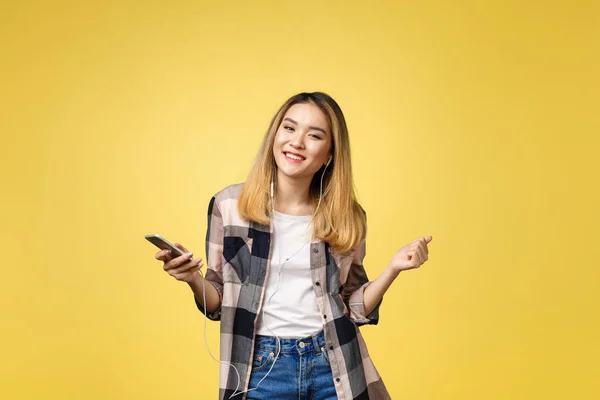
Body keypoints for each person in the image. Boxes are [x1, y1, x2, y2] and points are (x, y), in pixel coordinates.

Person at [154, 92, 433, 400]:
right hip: (260, 369)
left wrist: (394, 268)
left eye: (314, 135)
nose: (297, 142)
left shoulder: (347, 216)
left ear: (329, 154)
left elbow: (352, 307)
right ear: (275, 134)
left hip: (334, 365)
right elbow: (217, 302)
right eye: (289, 128)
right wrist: (192, 277)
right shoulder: (229, 205)